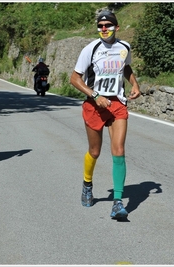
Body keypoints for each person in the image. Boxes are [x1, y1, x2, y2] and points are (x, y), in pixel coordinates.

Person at [70, 10, 140, 220]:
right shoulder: (91, 49)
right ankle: (87, 184)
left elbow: (125, 67)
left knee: (118, 150)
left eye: (108, 25)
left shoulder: (124, 47)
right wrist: (95, 95)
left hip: (117, 103)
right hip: (95, 105)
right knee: (95, 151)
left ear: (116, 27)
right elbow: (74, 79)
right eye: (100, 26)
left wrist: (134, 83)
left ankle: (117, 203)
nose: (104, 29)